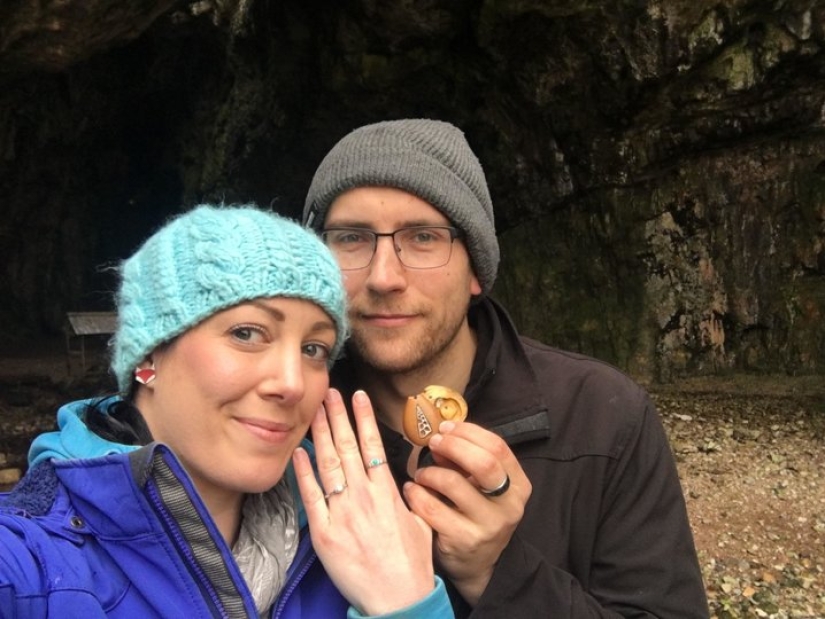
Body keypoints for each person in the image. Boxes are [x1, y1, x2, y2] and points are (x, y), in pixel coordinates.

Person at [302, 119, 710, 617]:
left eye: (424, 237)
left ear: (477, 269)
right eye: (351, 238)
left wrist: (497, 572)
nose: (385, 276)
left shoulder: (603, 415)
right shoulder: (280, 415)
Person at [0, 204, 454, 618]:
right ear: (148, 357)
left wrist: (409, 605)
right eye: (247, 333)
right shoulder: (28, 566)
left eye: (314, 348)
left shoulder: (365, 545)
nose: (292, 383)